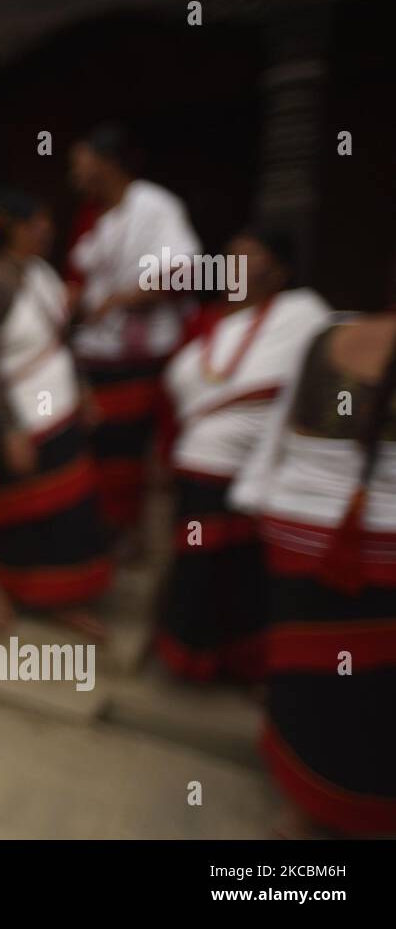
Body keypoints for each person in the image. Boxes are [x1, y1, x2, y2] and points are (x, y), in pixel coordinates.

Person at [230, 259, 396, 836]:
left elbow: (280, 426)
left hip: (299, 528)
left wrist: (256, 498)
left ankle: (303, 809)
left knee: (308, 676)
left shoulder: (325, 330)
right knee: (367, 688)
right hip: (362, 546)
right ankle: (345, 808)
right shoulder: (324, 329)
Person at [156, 228, 329, 682]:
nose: (234, 262)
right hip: (197, 471)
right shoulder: (208, 323)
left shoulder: (302, 314)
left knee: (240, 575)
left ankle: (239, 669)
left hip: (248, 473)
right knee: (196, 568)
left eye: (248, 255)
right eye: (230, 254)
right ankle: (187, 661)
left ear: (278, 269)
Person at [0, 192, 112, 637]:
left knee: (67, 516)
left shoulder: (45, 275)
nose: (46, 229)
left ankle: (62, 599)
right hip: (14, 420)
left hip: (60, 412)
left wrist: (83, 390)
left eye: (47, 221)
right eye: (36, 222)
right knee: (15, 516)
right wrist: (10, 431)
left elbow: (64, 340)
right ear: (14, 228)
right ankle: (6, 594)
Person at [68, 123, 202, 561]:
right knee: (100, 454)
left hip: (139, 358)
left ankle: (129, 539)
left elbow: (188, 270)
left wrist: (125, 297)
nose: (76, 172)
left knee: (129, 457)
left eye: (81, 162)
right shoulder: (98, 216)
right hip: (97, 356)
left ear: (107, 162)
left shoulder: (155, 205)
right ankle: (107, 538)